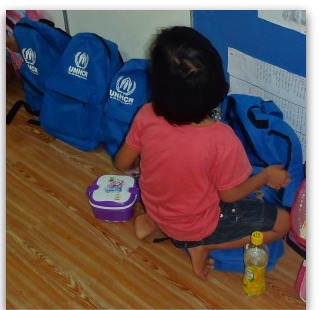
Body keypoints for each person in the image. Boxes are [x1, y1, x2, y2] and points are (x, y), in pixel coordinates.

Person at [114, 26, 291, 281]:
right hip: (198, 224)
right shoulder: (222, 139)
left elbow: (122, 162)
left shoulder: (146, 115)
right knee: (282, 223)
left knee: (175, 188)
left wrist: (146, 164)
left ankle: (155, 223)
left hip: (156, 204)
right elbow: (230, 195)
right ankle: (203, 245)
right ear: (216, 87)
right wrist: (265, 176)